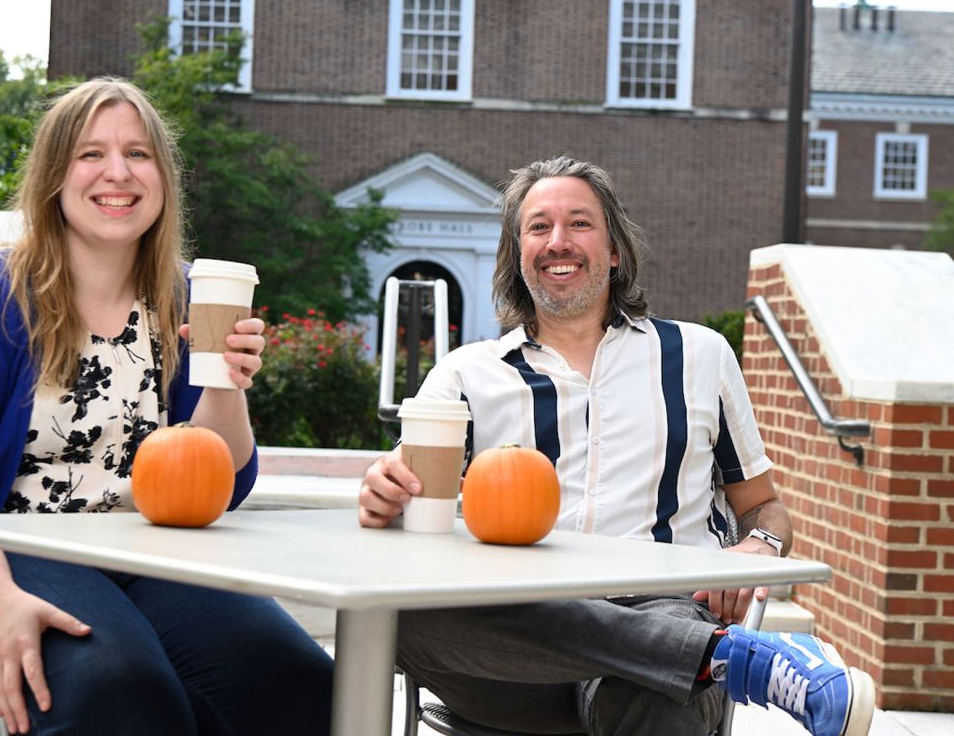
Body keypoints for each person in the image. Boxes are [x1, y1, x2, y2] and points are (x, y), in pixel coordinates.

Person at [359, 157, 875, 736]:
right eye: (537, 227)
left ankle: (685, 654)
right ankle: (730, 659)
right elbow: (407, 508)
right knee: (395, 618)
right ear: (517, 253)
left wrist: (762, 543)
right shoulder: (464, 375)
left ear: (614, 251)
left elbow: (763, 506)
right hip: (515, 646)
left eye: (579, 224)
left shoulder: (699, 356)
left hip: (662, 611)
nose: (558, 242)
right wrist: (385, 499)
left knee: (652, 695)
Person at [0, 78, 333, 735]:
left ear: (163, 177)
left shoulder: (184, 300)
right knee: (122, 693)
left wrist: (225, 383)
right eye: (91, 154)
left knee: (303, 687)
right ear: (52, 176)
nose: (117, 173)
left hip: (140, 567)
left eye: (139, 153)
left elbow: (221, 485)